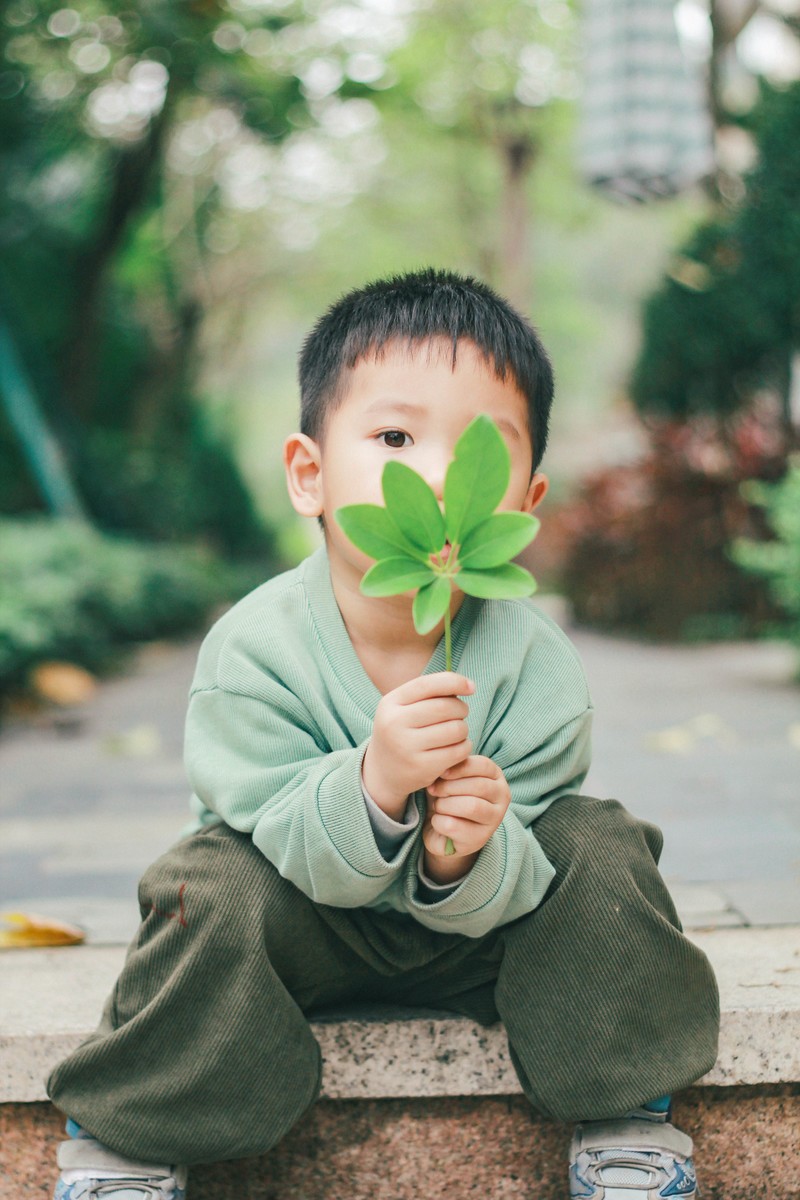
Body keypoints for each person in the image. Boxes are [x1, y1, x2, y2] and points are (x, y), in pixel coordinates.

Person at [49, 268, 720, 1200]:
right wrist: (373, 787)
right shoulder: (251, 648)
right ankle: (131, 1139)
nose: (438, 475)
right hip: (299, 930)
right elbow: (269, 826)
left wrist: (460, 850)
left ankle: (625, 1116)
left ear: (525, 501)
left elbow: (526, 857)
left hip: (489, 939)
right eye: (396, 436)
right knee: (204, 880)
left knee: (600, 844)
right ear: (311, 474)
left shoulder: (540, 668)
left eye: (481, 450)